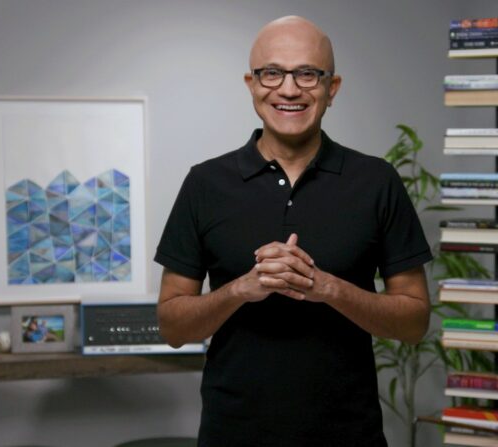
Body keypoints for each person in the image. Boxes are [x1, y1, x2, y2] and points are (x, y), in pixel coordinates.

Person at [155, 16, 432, 447]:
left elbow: (415, 323)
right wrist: (240, 289)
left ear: (332, 88)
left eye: (307, 74)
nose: (288, 90)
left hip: (348, 436)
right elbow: (173, 327)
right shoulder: (204, 184)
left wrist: (327, 288)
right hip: (233, 436)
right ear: (251, 84)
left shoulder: (377, 181)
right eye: (272, 73)